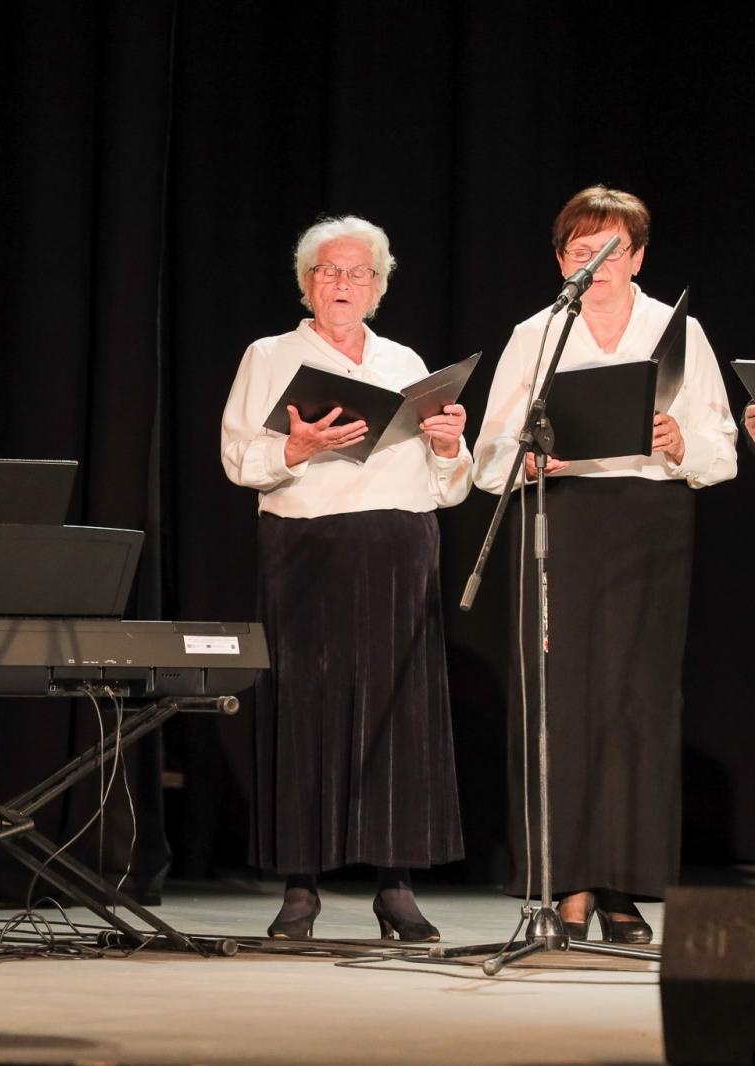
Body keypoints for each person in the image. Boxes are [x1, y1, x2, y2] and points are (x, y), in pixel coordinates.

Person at [472, 186, 736, 943]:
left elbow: (719, 448)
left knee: (636, 701)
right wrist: (528, 460)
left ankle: (622, 887)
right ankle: (567, 886)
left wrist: (681, 444)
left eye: (613, 249)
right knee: (560, 700)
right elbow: (490, 453)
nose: (599, 264)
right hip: (563, 516)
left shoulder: (677, 332)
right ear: (561, 260)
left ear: (639, 256)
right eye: (582, 251)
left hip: (650, 521)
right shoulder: (538, 332)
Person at [221, 216, 470, 941]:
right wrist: (294, 448)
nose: (342, 283)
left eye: (358, 272)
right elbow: (239, 458)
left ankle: (396, 885)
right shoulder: (269, 354)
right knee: (305, 705)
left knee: (400, 712)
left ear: (378, 288)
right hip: (304, 541)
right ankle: (301, 887)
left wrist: (451, 445)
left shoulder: (404, 361)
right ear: (305, 284)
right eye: (328, 271)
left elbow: (448, 483)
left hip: (399, 540)